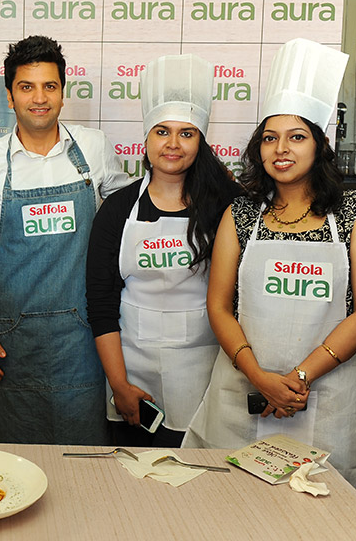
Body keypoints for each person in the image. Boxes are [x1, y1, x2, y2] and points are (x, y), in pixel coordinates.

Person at [184, 39, 356, 493]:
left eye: (297, 137)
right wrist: (260, 378)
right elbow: (218, 306)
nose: (282, 149)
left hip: (322, 400)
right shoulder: (241, 215)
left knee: (319, 513)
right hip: (242, 395)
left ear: (320, 145)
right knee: (230, 507)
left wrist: (297, 380)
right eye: (270, 138)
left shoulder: (354, 212)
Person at [0, 35, 131, 444]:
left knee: (85, 461)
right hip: (10, 340)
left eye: (49, 86)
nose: (39, 98)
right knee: (13, 459)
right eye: (26, 87)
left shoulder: (94, 149)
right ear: (9, 96)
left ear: (62, 92)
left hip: (82, 336)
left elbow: (127, 217)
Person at [87, 54, 241, 448]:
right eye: (162, 132)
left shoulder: (227, 207)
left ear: (201, 141)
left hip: (205, 372)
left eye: (186, 133)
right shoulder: (118, 209)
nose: (173, 144)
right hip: (131, 371)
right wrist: (119, 385)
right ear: (146, 137)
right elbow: (101, 304)